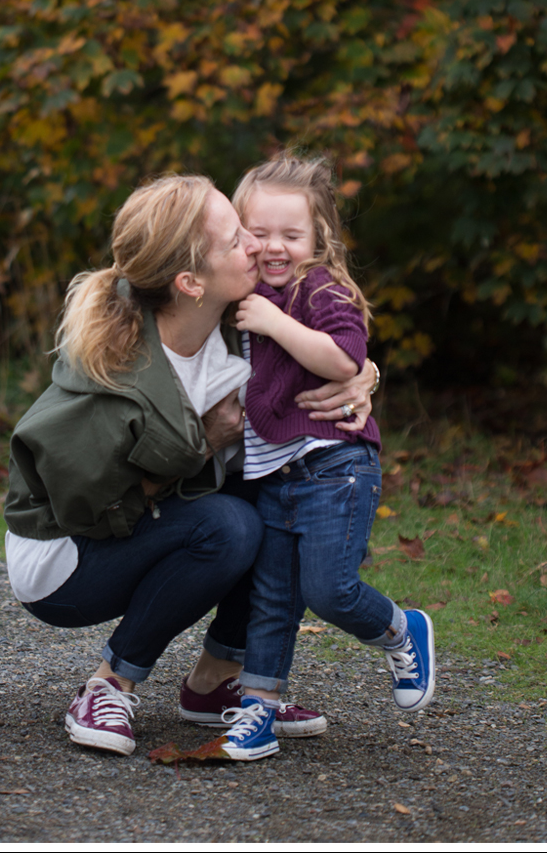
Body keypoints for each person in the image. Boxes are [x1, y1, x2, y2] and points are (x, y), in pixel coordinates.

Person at [4, 175, 377, 756]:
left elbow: (325, 342)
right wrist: (203, 444)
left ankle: (213, 684)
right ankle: (109, 684)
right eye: (237, 240)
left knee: (287, 498)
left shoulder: (236, 323)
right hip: (67, 559)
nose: (256, 245)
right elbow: (88, 508)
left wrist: (362, 375)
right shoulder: (114, 372)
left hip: (150, 517)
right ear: (189, 282)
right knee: (230, 526)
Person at [205, 156, 434, 762]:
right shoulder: (241, 291)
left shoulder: (319, 288)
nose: (274, 247)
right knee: (273, 599)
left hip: (335, 466)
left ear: (319, 239)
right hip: (277, 473)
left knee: (328, 590)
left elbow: (345, 360)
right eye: (259, 233)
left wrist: (277, 322)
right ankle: (258, 707)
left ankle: (400, 629)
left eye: (292, 235)